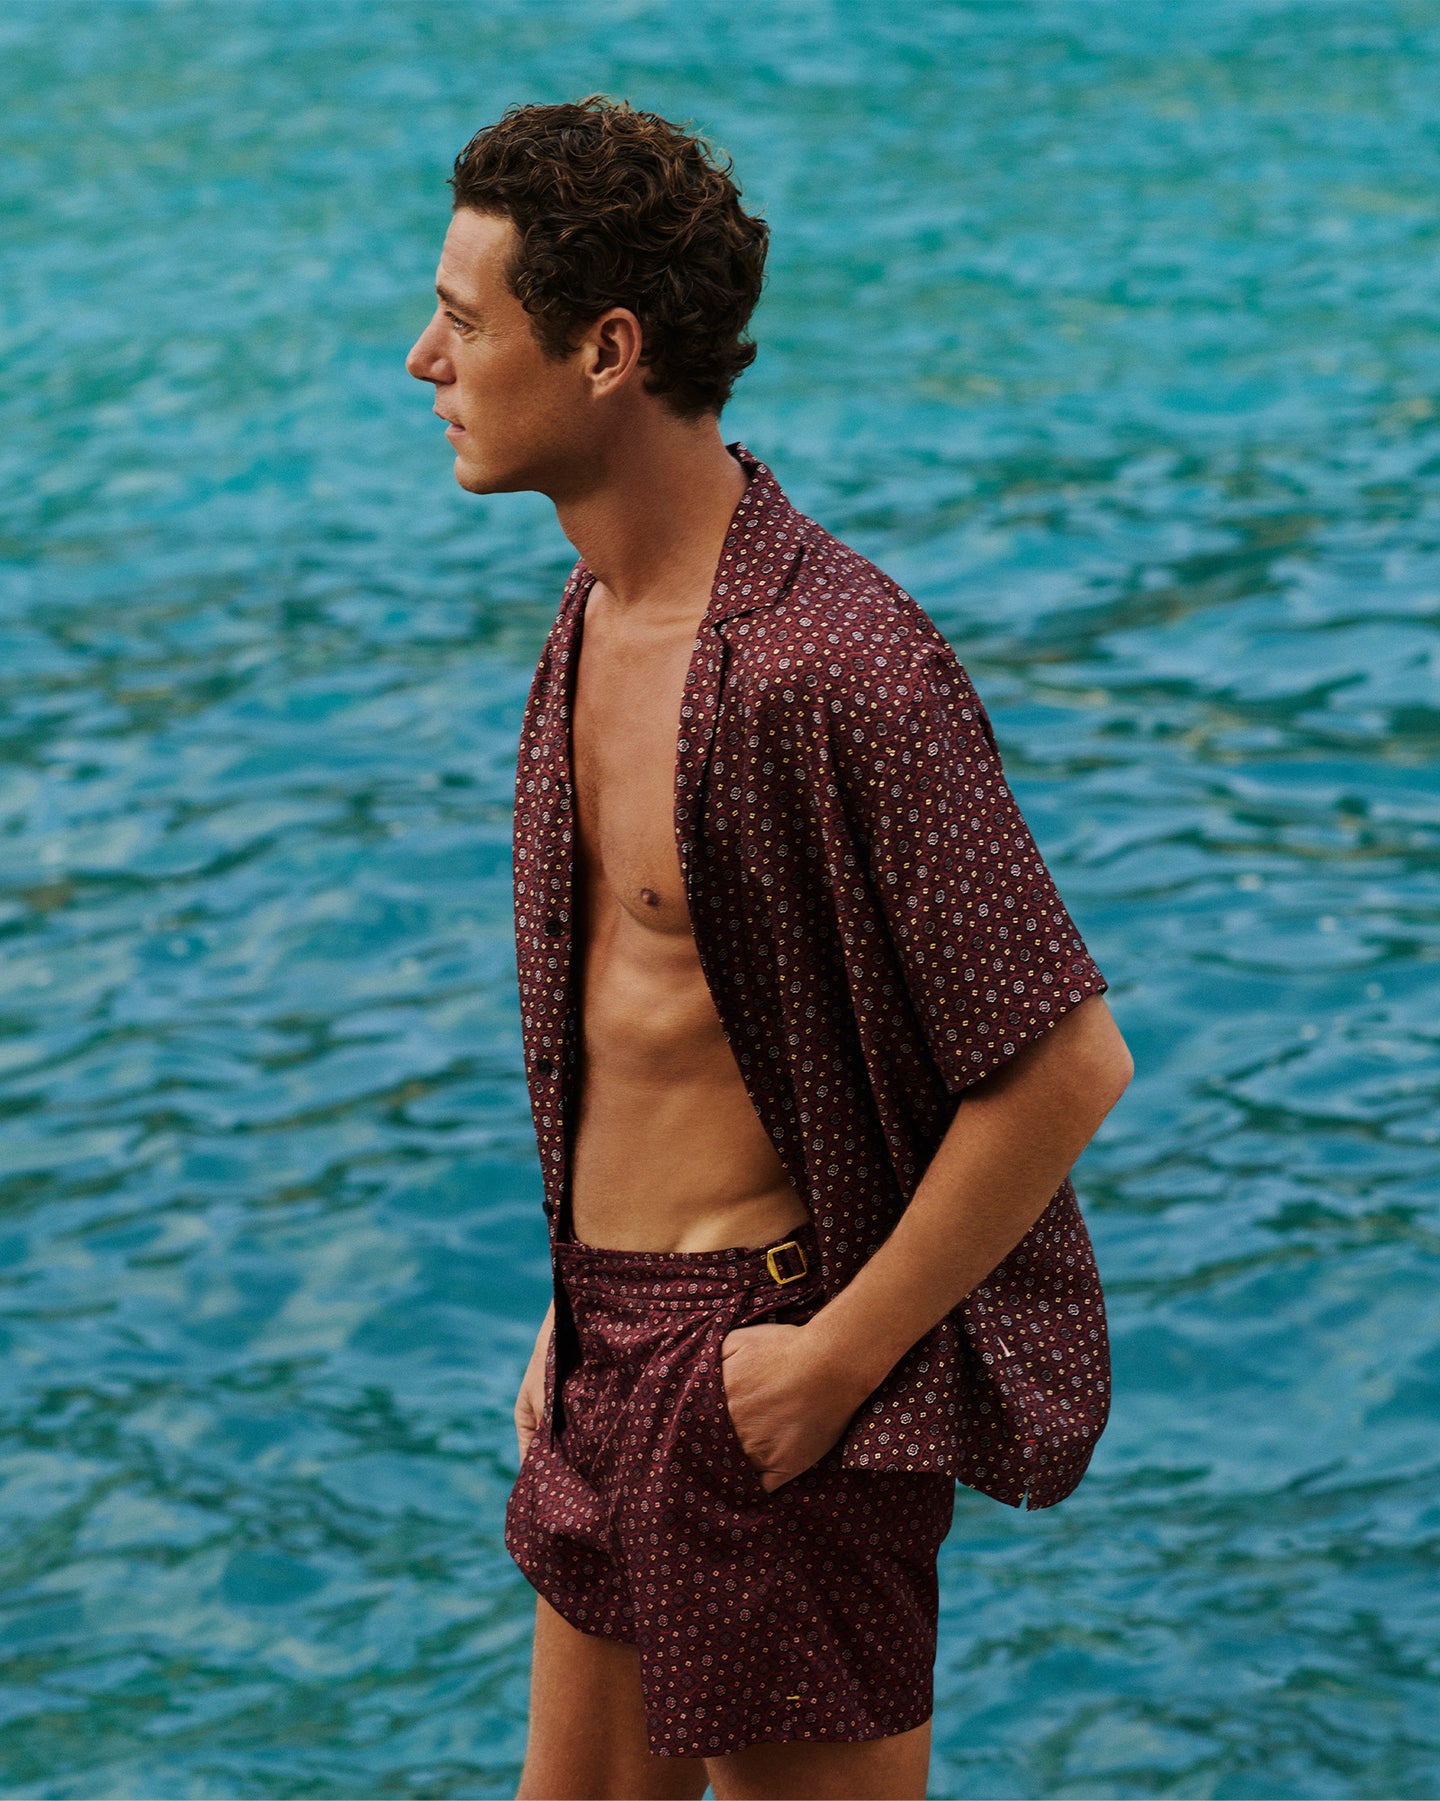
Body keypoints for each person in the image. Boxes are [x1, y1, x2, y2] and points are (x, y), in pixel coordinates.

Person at [406, 94, 1133, 1801]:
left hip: (773, 1359)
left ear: (605, 348)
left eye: (460, 317)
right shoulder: (592, 615)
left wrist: (838, 1361)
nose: (423, 359)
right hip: (610, 1337)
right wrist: (581, 1297)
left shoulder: (838, 667)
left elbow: (1066, 1059)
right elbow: (655, 1035)